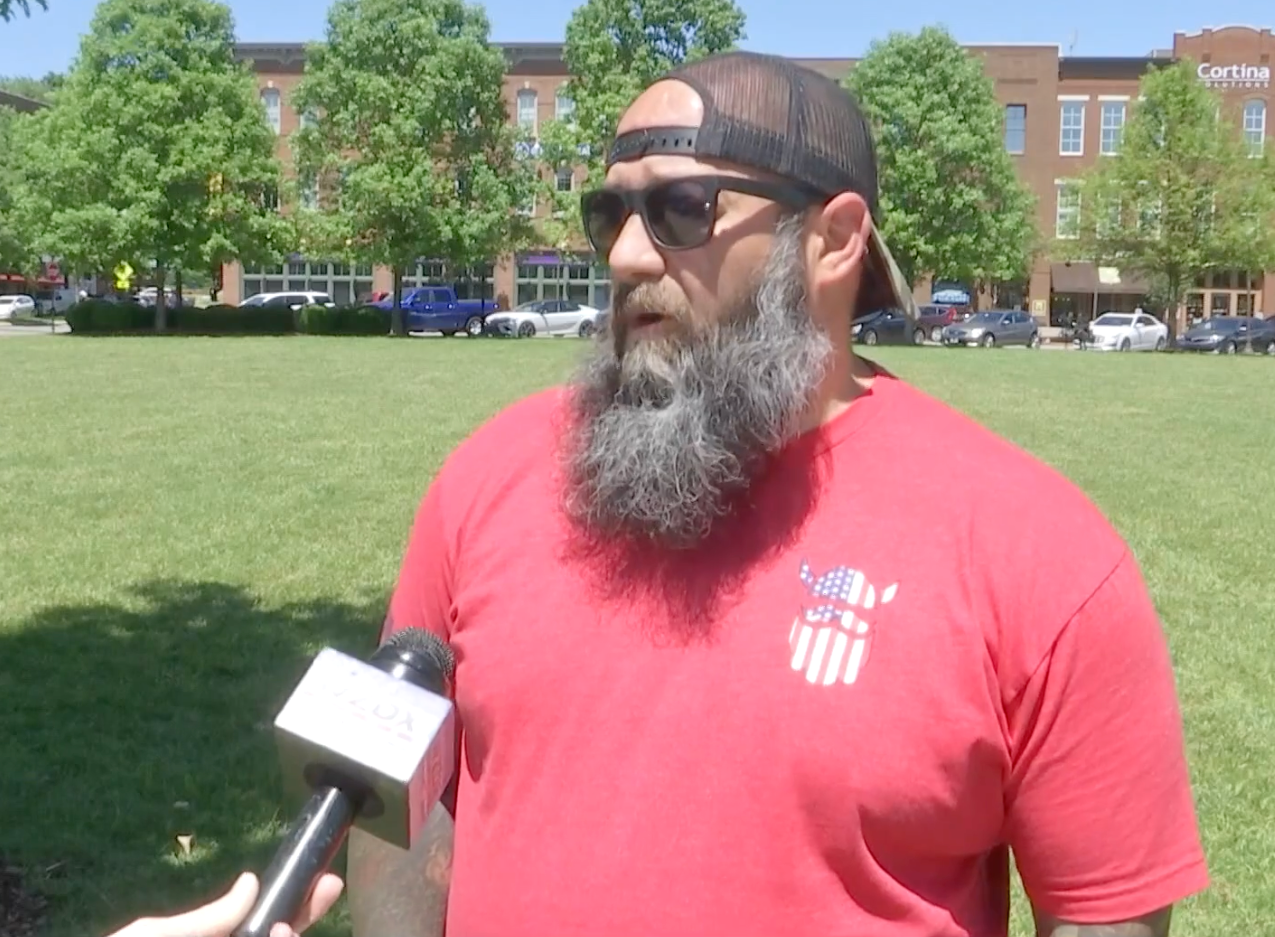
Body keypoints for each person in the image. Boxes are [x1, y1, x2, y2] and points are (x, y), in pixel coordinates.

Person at [111, 51, 1207, 937]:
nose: (628, 256)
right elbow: (410, 806)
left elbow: (1102, 911)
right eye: (610, 215)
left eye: (683, 209)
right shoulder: (484, 481)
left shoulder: (1034, 551)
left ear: (831, 242)